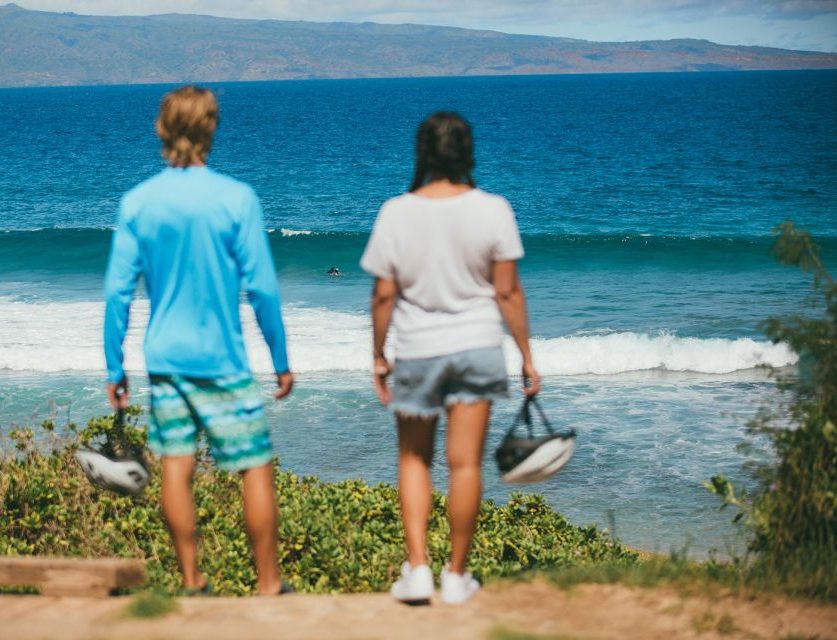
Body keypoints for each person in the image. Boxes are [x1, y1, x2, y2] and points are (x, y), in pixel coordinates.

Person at [103, 85, 294, 596]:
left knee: (176, 467)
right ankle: (269, 585)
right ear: (211, 129)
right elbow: (263, 289)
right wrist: (281, 359)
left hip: (166, 358)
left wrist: (113, 366)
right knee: (253, 466)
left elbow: (118, 294)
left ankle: (192, 582)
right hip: (223, 359)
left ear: (162, 131)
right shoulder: (236, 199)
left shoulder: (139, 202)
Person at [360, 112, 540, 605]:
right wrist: (526, 355)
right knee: (465, 465)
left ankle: (417, 570)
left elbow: (382, 296)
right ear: (466, 153)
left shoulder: (396, 211)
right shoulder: (493, 209)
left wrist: (378, 355)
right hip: (478, 346)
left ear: (422, 153)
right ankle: (456, 576)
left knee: (414, 459)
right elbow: (508, 292)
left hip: (418, 349)